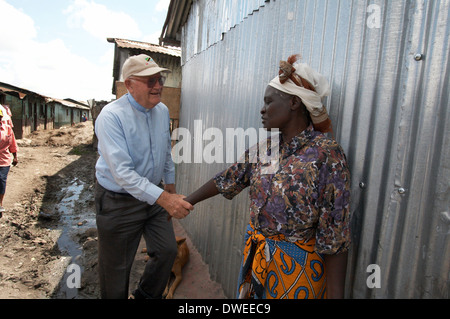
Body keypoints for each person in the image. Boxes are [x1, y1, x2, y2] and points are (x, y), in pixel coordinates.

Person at [185, 54, 351, 299]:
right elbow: (228, 178)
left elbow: (336, 233)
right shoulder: (265, 149)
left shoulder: (325, 154)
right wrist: (186, 201)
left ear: (294, 103)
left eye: (269, 101)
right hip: (258, 263)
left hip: (298, 275)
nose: (262, 109)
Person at [94, 54, 193, 299]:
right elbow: (123, 174)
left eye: (159, 79)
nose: (158, 85)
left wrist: (169, 188)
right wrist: (165, 199)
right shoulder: (111, 117)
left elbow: (165, 152)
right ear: (129, 85)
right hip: (119, 201)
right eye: (150, 81)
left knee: (167, 251)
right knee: (116, 270)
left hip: (154, 195)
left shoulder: (161, 111)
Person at [0, 107, 18, 216]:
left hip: (4, 160)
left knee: (1, 180)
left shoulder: (7, 129)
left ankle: (0, 203)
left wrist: (15, 156)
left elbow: (13, 143)